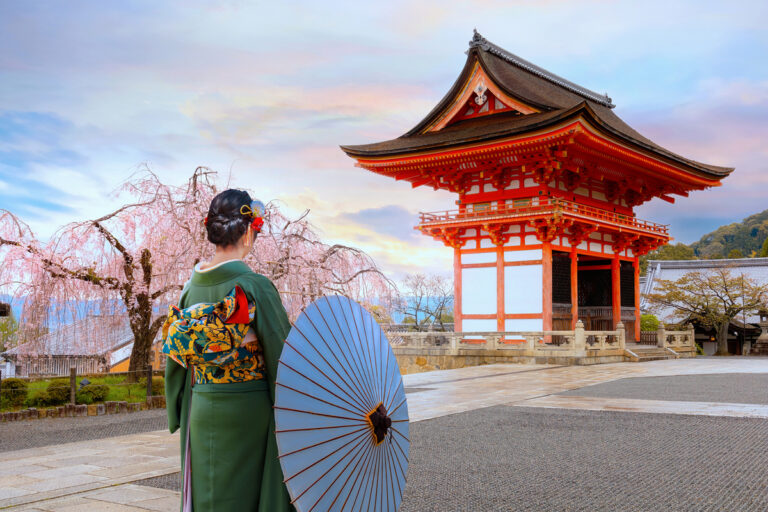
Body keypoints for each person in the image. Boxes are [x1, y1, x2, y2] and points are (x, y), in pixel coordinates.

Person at [164, 189, 293, 512]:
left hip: (201, 404)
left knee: (207, 496)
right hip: (248, 411)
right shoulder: (255, 287)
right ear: (248, 232)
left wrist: (177, 407)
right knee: (247, 498)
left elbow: (176, 364)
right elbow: (285, 359)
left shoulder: (190, 290)